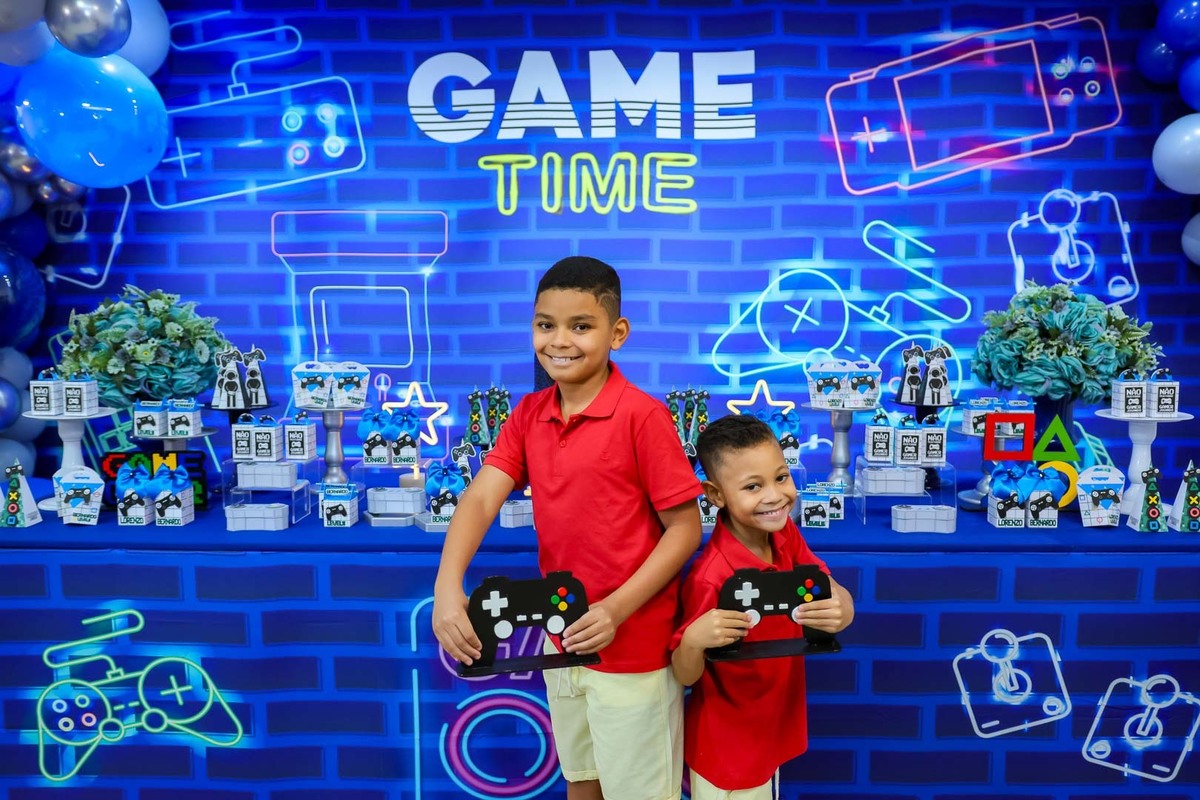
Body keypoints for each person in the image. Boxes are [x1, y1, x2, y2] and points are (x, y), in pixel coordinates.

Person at [433, 255, 703, 800]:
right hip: (562, 640)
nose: (559, 341)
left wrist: (615, 610)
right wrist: (446, 584)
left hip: (634, 653)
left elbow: (685, 530)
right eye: (545, 325)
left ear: (617, 333)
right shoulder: (529, 414)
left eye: (581, 326)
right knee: (582, 779)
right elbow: (480, 497)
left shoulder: (642, 416)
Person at [671, 414, 855, 800]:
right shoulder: (711, 577)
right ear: (715, 494)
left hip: (770, 730)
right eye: (753, 486)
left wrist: (843, 603)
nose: (774, 496)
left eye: (781, 477)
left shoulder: (784, 532)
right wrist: (692, 641)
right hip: (727, 749)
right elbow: (685, 675)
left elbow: (822, 579)